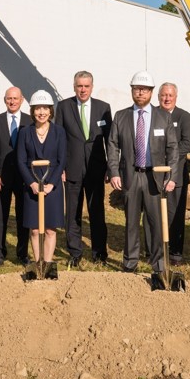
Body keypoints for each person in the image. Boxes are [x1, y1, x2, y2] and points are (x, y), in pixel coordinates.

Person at [106, 71, 179, 273]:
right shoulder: (121, 116)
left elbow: (172, 148)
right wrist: (114, 171)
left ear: (151, 92)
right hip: (130, 176)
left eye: (144, 89)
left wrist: (171, 176)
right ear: (132, 90)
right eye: (137, 88)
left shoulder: (163, 116)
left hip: (154, 177)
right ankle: (130, 262)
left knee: (156, 221)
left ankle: (158, 264)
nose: (140, 92)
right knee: (131, 222)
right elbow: (112, 146)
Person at [55, 71, 112, 266]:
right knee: (72, 213)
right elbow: (59, 140)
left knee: (97, 212)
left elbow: (109, 141)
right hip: (72, 168)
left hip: (96, 169)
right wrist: (60, 167)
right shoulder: (63, 107)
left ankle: (99, 253)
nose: (83, 90)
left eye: (86, 86)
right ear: (74, 87)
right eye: (79, 86)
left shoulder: (103, 108)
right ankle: (75, 252)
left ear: (92, 87)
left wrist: (110, 168)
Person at [17, 90, 67, 264]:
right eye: (38, 108)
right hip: (32, 182)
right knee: (35, 229)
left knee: (51, 229)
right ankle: (38, 263)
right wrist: (31, 183)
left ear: (50, 110)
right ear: (32, 111)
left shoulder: (59, 132)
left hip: (52, 183)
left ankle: (48, 263)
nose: (41, 112)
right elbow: (21, 161)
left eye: (45, 108)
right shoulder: (24, 132)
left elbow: (62, 160)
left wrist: (51, 184)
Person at [0, 87, 31, 266]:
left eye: (15, 98)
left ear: (22, 100)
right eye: (9, 98)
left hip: (24, 177)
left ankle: (22, 253)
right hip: (1, 177)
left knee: (23, 215)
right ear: (4, 100)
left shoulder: (29, 120)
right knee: (1, 215)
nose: (12, 102)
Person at [157, 82, 190, 265]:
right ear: (159, 96)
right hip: (154, 174)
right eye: (163, 95)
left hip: (176, 175)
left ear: (175, 97)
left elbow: (187, 143)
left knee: (175, 215)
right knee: (154, 213)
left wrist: (167, 156)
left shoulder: (184, 117)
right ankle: (154, 249)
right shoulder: (153, 114)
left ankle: (175, 253)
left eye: (170, 95)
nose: (166, 98)